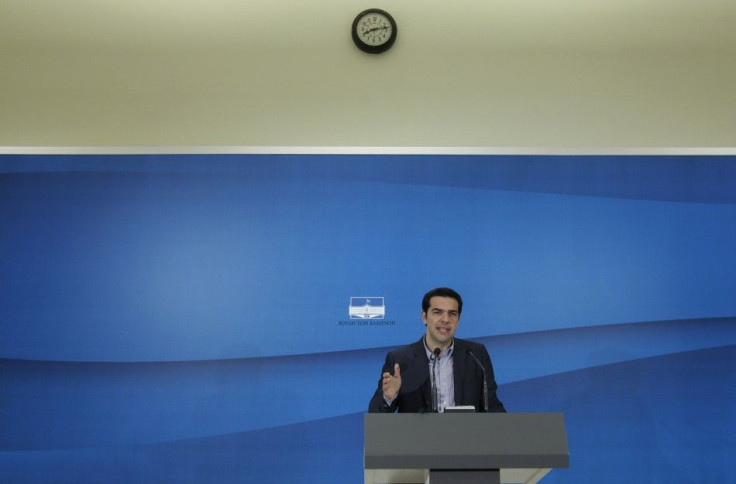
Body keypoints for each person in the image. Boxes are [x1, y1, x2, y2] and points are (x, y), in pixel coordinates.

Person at [368, 287, 506, 413]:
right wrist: (389, 398)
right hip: (418, 439)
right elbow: (376, 413)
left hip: (465, 437)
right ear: (424, 316)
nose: (446, 319)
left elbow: (492, 405)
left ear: (458, 319)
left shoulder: (476, 355)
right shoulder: (400, 359)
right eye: (437, 312)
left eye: (452, 314)